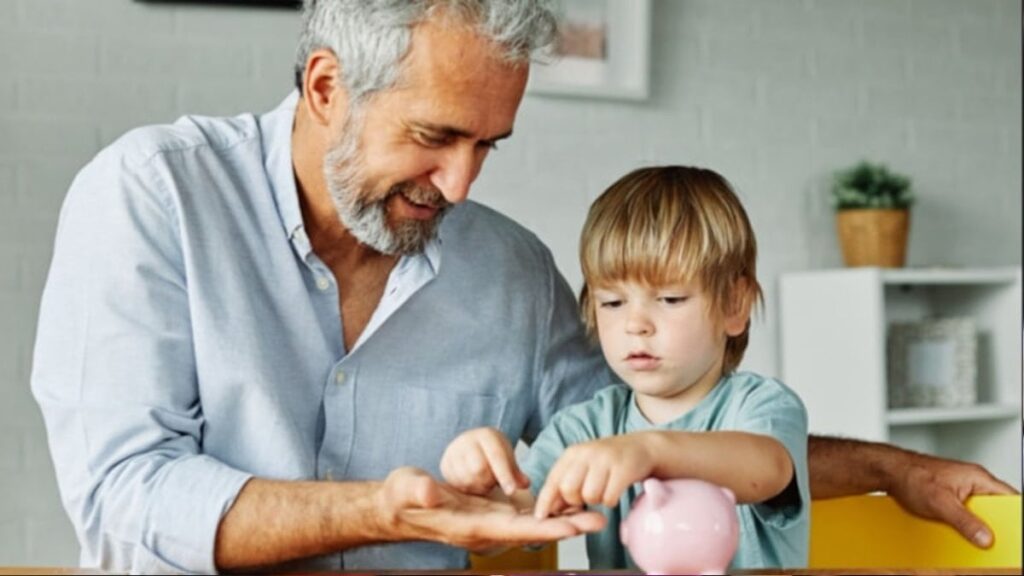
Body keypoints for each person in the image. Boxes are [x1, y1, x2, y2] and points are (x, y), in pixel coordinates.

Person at [29, 1, 1015, 574]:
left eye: (487, 144)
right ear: (328, 89)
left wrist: (892, 467)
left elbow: (653, 432)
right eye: (432, 138)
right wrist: (387, 511)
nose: (461, 185)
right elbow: (125, 494)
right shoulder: (153, 196)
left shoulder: (504, 269)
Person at [442, 165, 810, 569]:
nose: (636, 324)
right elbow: (512, 519)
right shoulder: (583, 428)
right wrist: (481, 489)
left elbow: (767, 469)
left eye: (670, 299)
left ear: (733, 305)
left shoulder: (759, 406)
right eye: (613, 303)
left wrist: (649, 450)